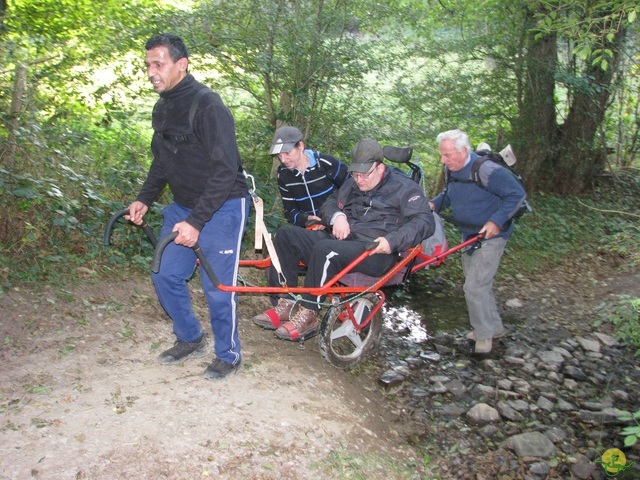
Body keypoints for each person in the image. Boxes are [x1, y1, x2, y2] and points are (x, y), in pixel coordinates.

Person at [125, 33, 249, 379]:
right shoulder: (162, 107)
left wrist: (197, 221)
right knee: (164, 273)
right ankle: (190, 337)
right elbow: (161, 160)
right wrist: (144, 198)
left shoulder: (208, 105)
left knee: (218, 288)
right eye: (148, 64)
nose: (151, 71)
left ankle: (228, 354)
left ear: (182, 64)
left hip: (224, 207)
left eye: (158, 63)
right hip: (182, 208)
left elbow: (227, 171)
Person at [252, 139, 435, 340]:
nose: (360, 180)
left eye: (365, 175)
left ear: (380, 168)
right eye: (356, 175)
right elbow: (329, 203)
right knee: (286, 235)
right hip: (344, 241)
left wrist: (392, 241)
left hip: (375, 251)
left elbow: (424, 221)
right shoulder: (352, 183)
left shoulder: (404, 188)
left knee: (325, 249)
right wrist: (337, 217)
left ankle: (309, 313)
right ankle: (285, 303)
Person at [429, 129, 526, 354]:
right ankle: (495, 328)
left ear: (463, 151)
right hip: (468, 235)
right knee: (479, 285)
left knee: (473, 287)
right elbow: (449, 193)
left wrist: (495, 221)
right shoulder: (451, 170)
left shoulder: (488, 171)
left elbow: (517, 195)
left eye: (448, 155)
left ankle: (483, 337)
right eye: (442, 155)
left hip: (492, 236)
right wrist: (433, 205)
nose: (443, 160)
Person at [269, 125, 348, 228]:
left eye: (287, 153)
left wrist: (335, 217)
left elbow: (351, 189)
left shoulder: (325, 163)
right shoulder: (283, 175)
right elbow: (290, 212)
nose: (283, 160)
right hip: (311, 229)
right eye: (279, 155)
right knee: (284, 233)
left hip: (339, 224)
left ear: (300, 146)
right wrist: (308, 219)